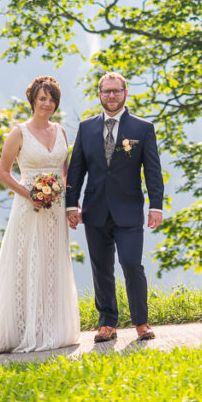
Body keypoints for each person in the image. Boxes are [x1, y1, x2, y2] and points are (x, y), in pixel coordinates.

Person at [0, 75, 80, 355]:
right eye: (42, 98)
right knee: (27, 262)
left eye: (52, 99)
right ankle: (22, 329)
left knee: (52, 263)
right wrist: (30, 194)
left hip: (56, 209)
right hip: (28, 208)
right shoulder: (18, 132)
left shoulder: (61, 131)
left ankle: (52, 329)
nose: (47, 104)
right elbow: (4, 173)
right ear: (32, 100)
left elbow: (66, 170)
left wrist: (71, 205)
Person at [66, 71, 163, 343]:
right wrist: (70, 205)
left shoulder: (142, 128)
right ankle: (107, 323)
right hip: (94, 210)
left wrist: (157, 206)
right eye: (106, 91)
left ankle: (141, 322)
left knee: (132, 264)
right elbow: (76, 171)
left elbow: (153, 171)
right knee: (101, 268)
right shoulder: (86, 128)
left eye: (116, 91)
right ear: (99, 94)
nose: (111, 96)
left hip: (129, 210)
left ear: (125, 93)